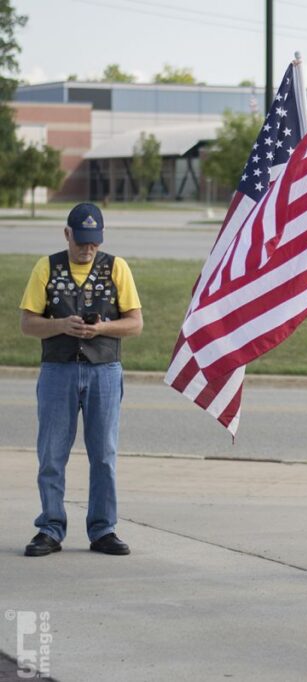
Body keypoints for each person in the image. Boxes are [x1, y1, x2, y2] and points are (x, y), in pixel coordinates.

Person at [20, 203, 143, 557]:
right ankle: (50, 527)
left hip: (104, 369)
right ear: (67, 234)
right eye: (82, 242)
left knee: (103, 454)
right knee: (51, 454)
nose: (88, 249)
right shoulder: (47, 267)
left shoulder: (116, 268)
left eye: (94, 242)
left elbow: (135, 323)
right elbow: (27, 323)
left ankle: (103, 529)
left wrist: (101, 328)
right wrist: (60, 325)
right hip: (57, 369)